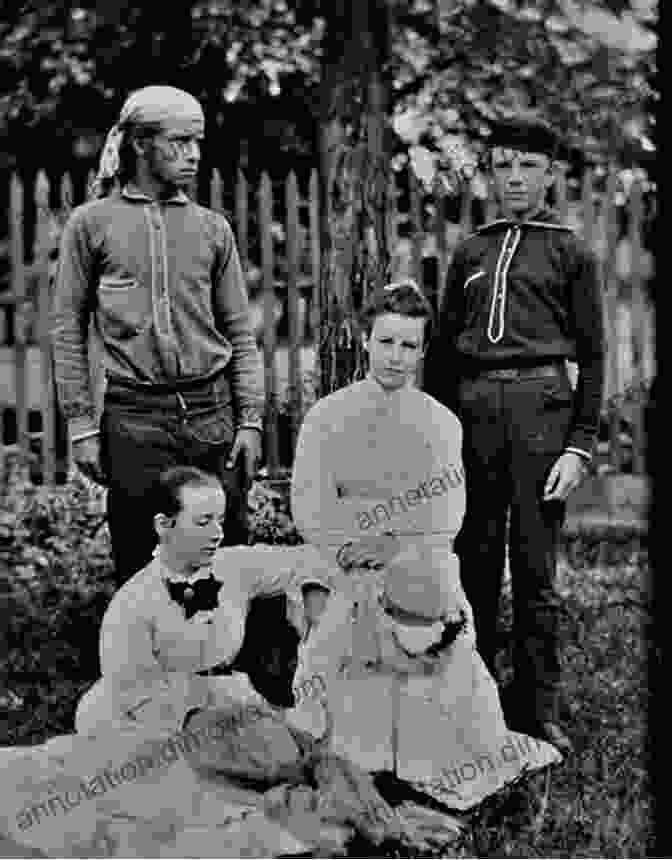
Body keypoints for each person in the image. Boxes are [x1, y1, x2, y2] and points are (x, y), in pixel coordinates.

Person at [290, 281, 561, 806]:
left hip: (412, 556)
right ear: (365, 340)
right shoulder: (327, 416)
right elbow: (309, 503)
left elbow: (446, 510)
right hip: (340, 555)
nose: (396, 357)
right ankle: (356, 752)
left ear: (422, 350)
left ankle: (425, 754)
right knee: (342, 619)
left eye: (409, 346)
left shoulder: (440, 422)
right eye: (386, 342)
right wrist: (351, 545)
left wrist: (396, 545)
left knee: (427, 607)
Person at [423, 115, 606, 754]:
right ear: (491, 173)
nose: (515, 177)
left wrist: (580, 443)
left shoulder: (570, 251)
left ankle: (535, 705)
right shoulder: (471, 250)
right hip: (474, 414)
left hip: (541, 412)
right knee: (471, 561)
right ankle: (467, 697)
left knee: (534, 569)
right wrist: (439, 436)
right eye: (504, 165)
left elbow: (595, 355)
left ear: (551, 174)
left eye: (528, 165)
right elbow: (442, 353)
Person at [50, 85, 264, 584]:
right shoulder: (91, 224)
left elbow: (239, 331)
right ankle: (142, 662)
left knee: (225, 556)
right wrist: (82, 425)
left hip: (213, 417)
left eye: (197, 143)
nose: (193, 155)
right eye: (179, 142)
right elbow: (67, 329)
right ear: (141, 144)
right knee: (139, 562)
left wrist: (250, 419)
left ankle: (224, 660)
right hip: (135, 421)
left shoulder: (213, 229)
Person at [74, 465, 333, 739]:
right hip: (154, 719)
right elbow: (137, 698)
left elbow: (314, 560)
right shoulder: (131, 603)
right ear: (164, 525)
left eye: (219, 521)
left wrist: (314, 600)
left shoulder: (233, 566)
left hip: (228, 700)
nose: (217, 534)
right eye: (202, 522)